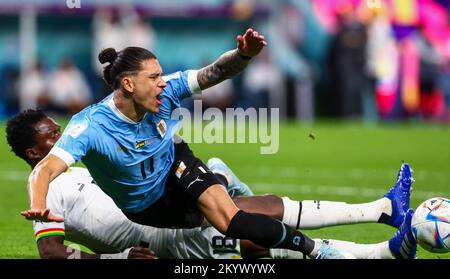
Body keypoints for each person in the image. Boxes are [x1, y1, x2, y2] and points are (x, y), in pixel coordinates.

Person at [8, 109, 417, 259]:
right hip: (167, 241)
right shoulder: (46, 187)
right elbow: (50, 253)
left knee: (269, 210)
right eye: (51, 135)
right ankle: (383, 246)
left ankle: (382, 213)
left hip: (171, 215)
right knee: (260, 239)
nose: (61, 137)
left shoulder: (77, 169)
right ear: (33, 152)